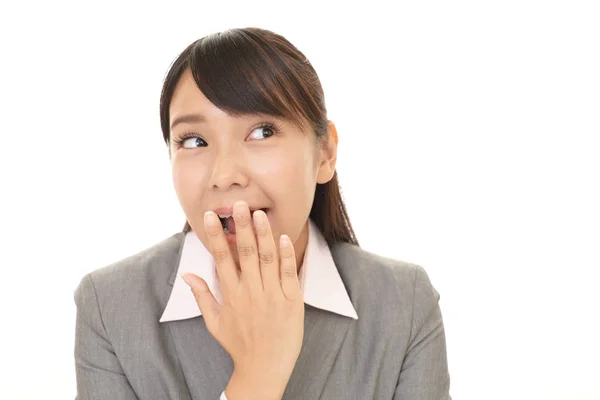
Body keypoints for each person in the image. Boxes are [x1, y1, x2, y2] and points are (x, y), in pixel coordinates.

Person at [74, 27, 451, 400]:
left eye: (262, 132)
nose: (224, 176)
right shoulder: (110, 307)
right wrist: (257, 378)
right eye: (194, 140)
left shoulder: (405, 305)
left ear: (324, 154)